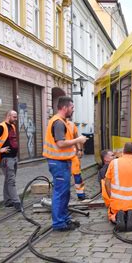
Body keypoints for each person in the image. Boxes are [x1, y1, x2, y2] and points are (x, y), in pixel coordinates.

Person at [43, 97, 87, 231]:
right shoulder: (58, 123)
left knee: (65, 192)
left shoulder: (63, 122)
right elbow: (60, 143)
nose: (73, 110)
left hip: (62, 162)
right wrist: (78, 140)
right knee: (60, 193)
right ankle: (58, 223)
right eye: (72, 107)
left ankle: (64, 218)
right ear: (65, 108)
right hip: (58, 162)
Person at [0, 110, 21, 211]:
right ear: (8, 116)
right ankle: (17, 203)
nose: (16, 119)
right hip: (6, 159)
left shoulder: (12, 126)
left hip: (13, 157)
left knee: (8, 179)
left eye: (16, 117)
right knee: (11, 181)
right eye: (14, 117)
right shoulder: (1, 127)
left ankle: (8, 201)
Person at [68, 121, 86, 200]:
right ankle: (66, 195)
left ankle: (81, 195)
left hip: (72, 155)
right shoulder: (57, 123)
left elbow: (77, 138)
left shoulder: (71, 125)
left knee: (77, 176)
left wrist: (80, 150)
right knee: (65, 178)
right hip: (63, 157)